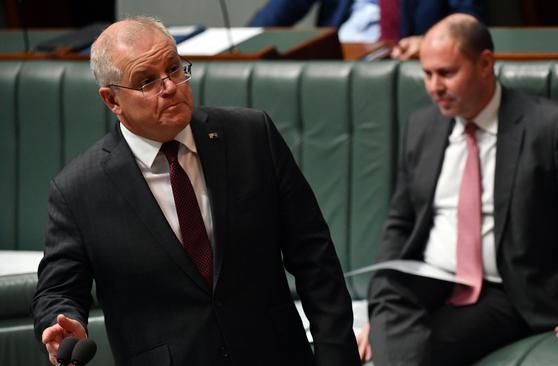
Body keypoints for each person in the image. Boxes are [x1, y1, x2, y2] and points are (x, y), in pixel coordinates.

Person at [31, 16, 361, 366]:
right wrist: (61, 322)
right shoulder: (79, 189)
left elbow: (316, 258)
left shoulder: (251, 137)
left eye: (173, 69)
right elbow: (58, 290)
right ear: (112, 100)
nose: (170, 86)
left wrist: (336, 356)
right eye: (146, 81)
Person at [356, 13, 558, 365]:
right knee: (386, 288)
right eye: (427, 74)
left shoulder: (548, 126)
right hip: (429, 280)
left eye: (446, 73)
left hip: (506, 289)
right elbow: (399, 221)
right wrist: (380, 321)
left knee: (421, 348)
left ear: (485, 63)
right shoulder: (422, 127)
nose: (434, 87)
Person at [248, 0, 485, 43]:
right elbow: (279, 12)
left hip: (407, 59)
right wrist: (242, 38)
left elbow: (468, 20)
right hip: (340, 59)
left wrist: (427, 43)